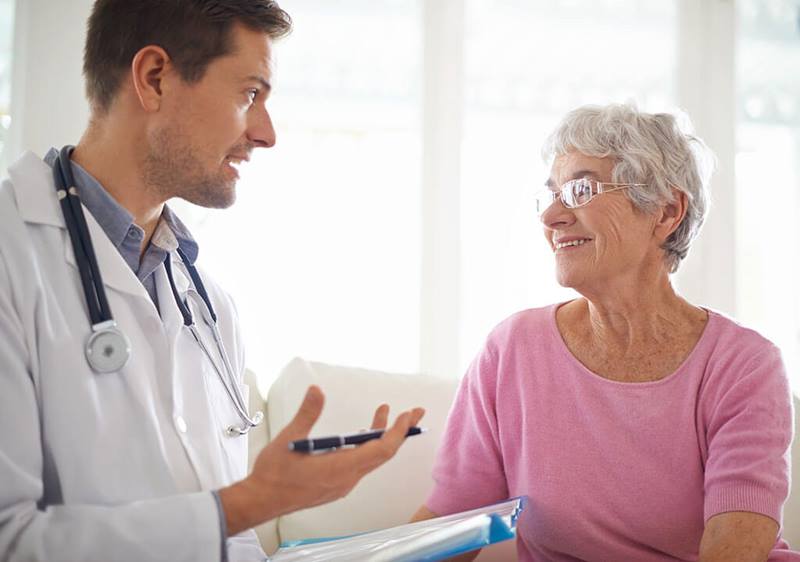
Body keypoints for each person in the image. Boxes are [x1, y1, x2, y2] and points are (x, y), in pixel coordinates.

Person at [0, 1, 424, 561]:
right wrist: (246, 504)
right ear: (154, 79)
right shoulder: (12, 254)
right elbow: (12, 540)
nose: (266, 133)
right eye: (250, 93)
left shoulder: (210, 306)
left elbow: (231, 542)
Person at [412, 104, 798, 561]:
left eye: (580, 189)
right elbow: (454, 527)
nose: (551, 216)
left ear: (666, 212)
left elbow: (734, 551)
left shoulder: (742, 364)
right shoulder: (512, 350)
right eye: (551, 194)